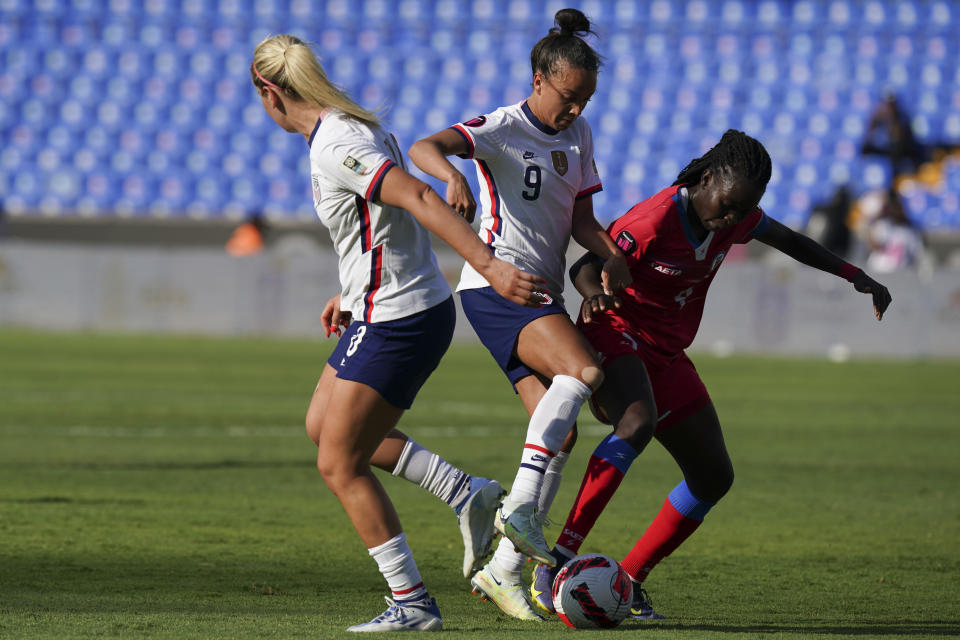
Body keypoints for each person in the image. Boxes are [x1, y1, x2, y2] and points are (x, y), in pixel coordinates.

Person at [525, 130, 893, 620]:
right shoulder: (653, 220)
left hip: (668, 353)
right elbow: (588, 265)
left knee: (713, 477)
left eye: (743, 211)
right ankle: (557, 560)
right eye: (727, 205)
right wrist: (594, 293)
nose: (732, 219)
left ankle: (629, 580)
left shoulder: (734, 217)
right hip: (617, 333)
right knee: (637, 423)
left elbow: (790, 240)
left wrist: (854, 275)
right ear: (706, 179)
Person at [251, 34, 546, 632]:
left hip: (399, 316)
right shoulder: (349, 126)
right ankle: (464, 492)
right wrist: (350, 289)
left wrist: (487, 265)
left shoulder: (336, 143)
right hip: (381, 305)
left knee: (339, 461)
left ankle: (412, 602)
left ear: (270, 92)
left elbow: (414, 196)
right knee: (322, 427)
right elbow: (380, 223)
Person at [408, 8, 631, 621]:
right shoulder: (503, 127)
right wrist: (450, 171)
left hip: (540, 294)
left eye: (585, 99)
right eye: (567, 96)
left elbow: (582, 219)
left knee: (559, 434)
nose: (576, 109)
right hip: (496, 284)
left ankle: (503, 572)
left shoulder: (578, 135)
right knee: (584, 375)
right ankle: (519, 512)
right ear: (538, 79)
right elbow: (425, 146)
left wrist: (612, 255)